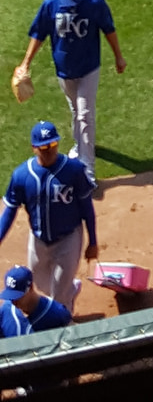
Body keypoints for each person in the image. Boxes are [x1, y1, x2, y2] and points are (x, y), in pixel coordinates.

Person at [15, 0, 125, 181]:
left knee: (85, 114)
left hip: (89, 69)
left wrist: (118, 56)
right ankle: (80, 145)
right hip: (64, 70)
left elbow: (108, 29)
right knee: (76, 110)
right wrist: (25, 63)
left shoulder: (94, 2)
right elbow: (38, 33)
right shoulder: (52, 3)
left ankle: (87, 171)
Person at [0, 122, 97, 307]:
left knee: (58, 297)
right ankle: (71, 289)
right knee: (41, 285)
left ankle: (64, 326)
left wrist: (93, 242)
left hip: (69, 238)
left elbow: (87, 208)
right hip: (38, 240)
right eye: (43, 147)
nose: (49, 150)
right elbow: (10, 211)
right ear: (34, 148)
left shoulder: (74, 170)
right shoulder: (21, 175)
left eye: (52, 145)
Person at [0, 264, 72, 336]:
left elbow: (74, 338)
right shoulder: (5, 310)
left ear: (30, 288)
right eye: (11, 296)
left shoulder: (57, 313)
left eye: (17, 297)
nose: (14, 302)